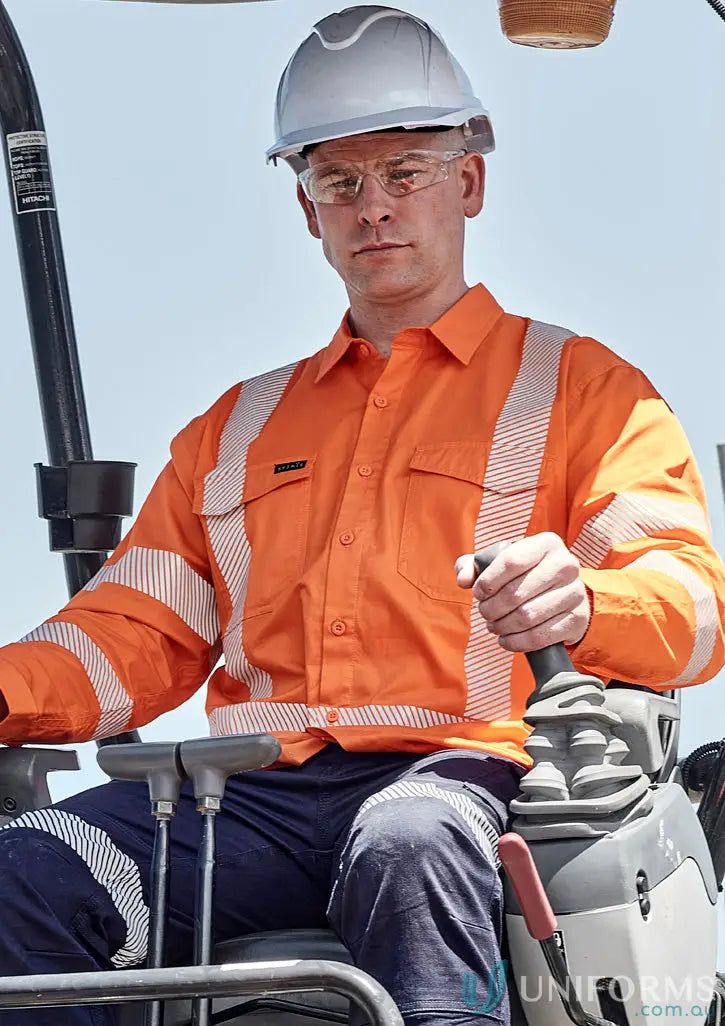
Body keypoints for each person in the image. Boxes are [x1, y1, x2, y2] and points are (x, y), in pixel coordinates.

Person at [0, 5, 722, 1025]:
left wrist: (584, 601)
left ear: (466, 183)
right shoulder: (235, 428)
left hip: (463, 778)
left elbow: (689, 603)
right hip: (242, 804)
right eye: (339, 182)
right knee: (26, 868)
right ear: (307, 210)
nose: (372, 207)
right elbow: (129, 634)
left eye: (404, 175)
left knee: (407, 844)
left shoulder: (586, 391)